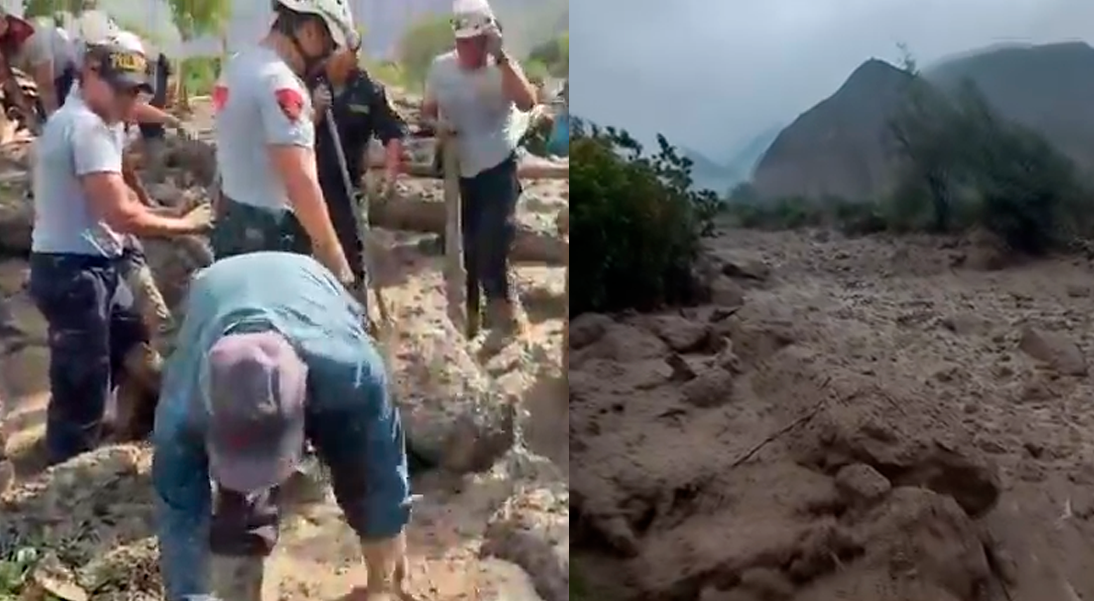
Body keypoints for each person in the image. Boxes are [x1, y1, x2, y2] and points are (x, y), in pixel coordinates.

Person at [153, 251, 411, 601]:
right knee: (239, 512)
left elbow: (383, 473)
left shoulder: (351, 371)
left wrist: (383, 585)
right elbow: (179, 516)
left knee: (359, 471)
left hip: (309, 285)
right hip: (215, 288)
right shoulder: (181, 411)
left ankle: (387, 583)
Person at [28, 35, 212, 465]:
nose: (128, 101)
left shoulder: (95, 116)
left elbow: (120, 175)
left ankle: (144, 423)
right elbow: (120, 216)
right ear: (91, 73)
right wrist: (183, 224)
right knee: (83, 382)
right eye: (121, 89)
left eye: (134, 90)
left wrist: (149, 203)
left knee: (133, 343)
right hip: (74, 272)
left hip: (98, 263)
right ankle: (67, 473)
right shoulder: (84, 128)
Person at [212, 0, 358, 289]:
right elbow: (300, 182)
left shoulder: (237, 65)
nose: (326, 60)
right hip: (270, 235)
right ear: (310, 31)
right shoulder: (282, 84)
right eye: (328, 47)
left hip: (231, 221)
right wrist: (336, 260)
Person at [422, 0, 537, 342]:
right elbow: (426, 112)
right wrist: (437, 126)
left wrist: (501, 58)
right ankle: (472, 321)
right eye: (461, 42)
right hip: (461, 171)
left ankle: (506, 317)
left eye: (474, 42)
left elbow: (528, 102)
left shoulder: (501, 68)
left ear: (488, 39)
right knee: (468, 250)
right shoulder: (440, 68)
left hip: (498, 166)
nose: (467, 50)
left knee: (493, 241)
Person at [312, 43, 406, 289]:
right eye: (336, 62)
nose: (342, 68)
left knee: (353, 252)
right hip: (310, 184)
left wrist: (390, 175)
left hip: (350, 187)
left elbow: (393, 133)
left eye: (348, 62)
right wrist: (315, 111)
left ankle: (356, 307)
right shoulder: (308, 81)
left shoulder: (369, 90)